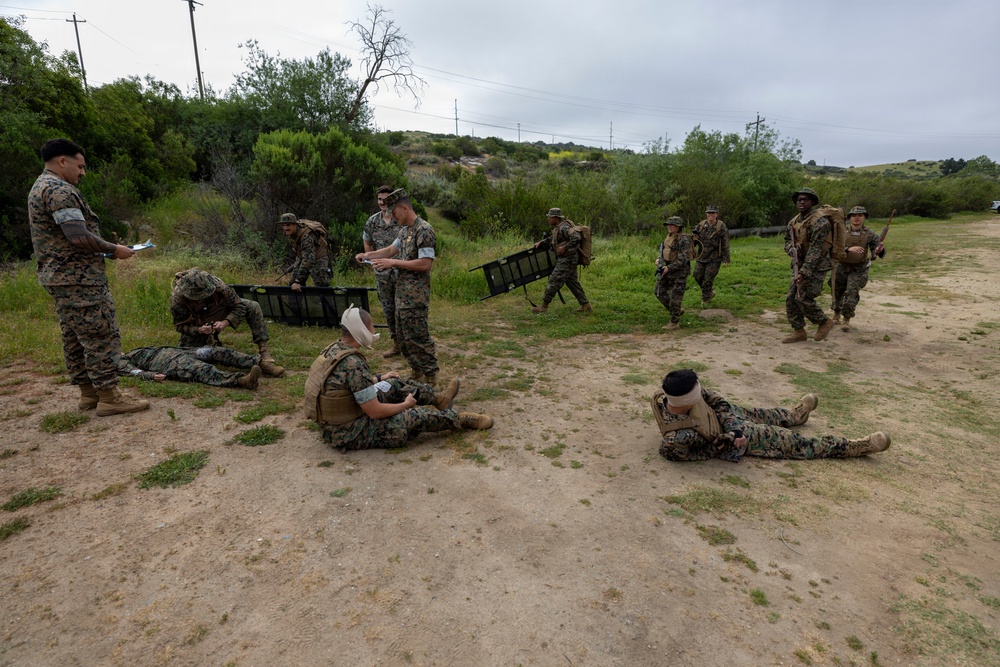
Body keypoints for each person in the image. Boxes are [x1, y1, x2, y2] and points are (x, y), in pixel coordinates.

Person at [27, 138, 150, 417]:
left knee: (74, 336)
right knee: (99, 335)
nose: (83, 172)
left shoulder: (39, 187)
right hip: (79, 279)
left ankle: (89, 394)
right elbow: (78, 236)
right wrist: (114, 249)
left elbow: (67, 237)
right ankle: (109, 397)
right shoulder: (59, 190)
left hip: (60, 278)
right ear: (63, 161)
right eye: (80, 166)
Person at [304, 306, 493, 450]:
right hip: (348, 431)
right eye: (370, 327)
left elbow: (347, 384)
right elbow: (375, 412)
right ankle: (458, 419)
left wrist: (379, 378)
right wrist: (406, 405)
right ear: (360, 330)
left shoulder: (334, 350)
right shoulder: (353, 362)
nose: (373, 331)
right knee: (409, 418)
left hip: (339, 422)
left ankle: (440, 399)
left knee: (392, 384)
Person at [653, 369, 890, 462]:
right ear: (689, 400)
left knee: (763, 414)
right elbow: (695, 454)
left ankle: (794, 416)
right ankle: (853, 447)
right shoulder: (677, 439)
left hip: (723, 421)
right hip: (730, 439)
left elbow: (717, 401)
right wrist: (728, 440)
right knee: (794, 443)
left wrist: (730, 424)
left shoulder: (677, 393)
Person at [355, 189, 440, 383]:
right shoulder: (405, 230)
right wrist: (368, 255)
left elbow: (425, 263)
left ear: (404, 208)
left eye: (394, 213)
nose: (392, 216)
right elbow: (392, 249)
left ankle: (430, 375)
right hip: (402, 293)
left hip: (415, 294)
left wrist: (393, 263)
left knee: (418, 335)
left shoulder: (424, 230)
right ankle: (416, 371)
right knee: (403, 335)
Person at [170, 268, 285, 377]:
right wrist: (199, 330)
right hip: (198, 322)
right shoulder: (178, 300)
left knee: (253, 306)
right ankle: (212, 345)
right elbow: (180, 326)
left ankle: (264, 351)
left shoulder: (218, 285)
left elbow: (238, 306)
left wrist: (226, 322)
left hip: (221, 310)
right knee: (189, 355)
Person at [783, 188, 835, 343]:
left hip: (817, 266)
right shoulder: (794, 221)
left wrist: (804, 272)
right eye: (799, 199)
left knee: (803, 297)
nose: (801, 202)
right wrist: (791, 249)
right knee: (791, 298)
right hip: (799, 263)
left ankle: (824, 322)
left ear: (812, 202)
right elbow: (787, 240)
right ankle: (799, 331)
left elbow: (816, 250)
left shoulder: (820, 222)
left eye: (805, 199)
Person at [362, 185, 401, 358]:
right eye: (379, 199)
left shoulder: (400, 219)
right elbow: (367, 242)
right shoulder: (372, 221)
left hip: (401, 271)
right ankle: (396, 344)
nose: (382, 203)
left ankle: (409, 343)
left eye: (385, 199)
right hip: (382, 274)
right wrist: (371, 260)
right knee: (388, 309)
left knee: (404, 310)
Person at [832, 206, 885, 332]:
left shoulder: (869, 233)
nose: (856, 218)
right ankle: (836, 313)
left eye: (860, 215)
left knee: (851, 293)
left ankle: (846, 318)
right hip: (841, 266)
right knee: (837, 292)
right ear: (849, 217)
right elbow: (833, 247)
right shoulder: (841, 231)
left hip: (858, 269)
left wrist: (879, 251)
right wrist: (847, 249)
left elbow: (876, 250)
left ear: (864, 217)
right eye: (854, 215)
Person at [530, 207, 591, 314]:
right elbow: (553, 239)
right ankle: (586, 305)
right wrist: (541, 242)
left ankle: (544, 306)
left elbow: (576, 237)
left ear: (556, 218)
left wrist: (565, 247)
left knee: (554, 280)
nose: (548, 219)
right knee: (572, 282)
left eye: (550, 217)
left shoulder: (564, 228)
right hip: (569, 259)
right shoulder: (559, 228)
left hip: (567, 259)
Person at [117, 346, 262, 389]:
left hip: (183, 351)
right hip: (170, 364)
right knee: (203, 369)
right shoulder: (121, 360)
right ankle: (242, 381)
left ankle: (258, 362)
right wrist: (149, 375)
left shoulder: (133, 350)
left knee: (217, 352)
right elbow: (133, 371)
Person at [277, 213, 331, 289]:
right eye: (283, 225)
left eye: (288, 225)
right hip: (303, 257)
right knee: (293, 283)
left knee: (321, 285)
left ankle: (326, 300)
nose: (285, 228)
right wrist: (297, 281)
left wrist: (298, 281)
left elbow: (309, 260)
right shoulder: (292, 233)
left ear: (295, 224)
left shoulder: (306, 236)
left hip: (318, 258)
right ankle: (295, 300)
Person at [655, 216, 691, 330]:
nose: (669, 227)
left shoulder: (684, 239)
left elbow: (683, 259)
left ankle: (674, 322)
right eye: (668, 225)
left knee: (675, 298)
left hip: (679, 272)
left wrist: (669, 268)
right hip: (667, 269)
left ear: (678, 226)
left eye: (672, 225)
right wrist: (659, 260)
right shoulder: (668, 237)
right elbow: (666, 253)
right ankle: (677, 311)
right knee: (658, 291)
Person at [692, 204, 730, 307]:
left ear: (717, 214)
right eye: (709, 213)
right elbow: (694, 242)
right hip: (701, 256)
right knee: (697, 276)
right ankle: (709, 292)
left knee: (708, 279)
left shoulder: (721, 226)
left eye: (713, 213)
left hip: (714, 258)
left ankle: (705, 300)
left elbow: (725, 242)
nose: (710, 215)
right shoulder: (700, 225)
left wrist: (726, 258)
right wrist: (693, 240)